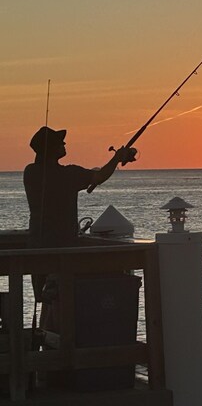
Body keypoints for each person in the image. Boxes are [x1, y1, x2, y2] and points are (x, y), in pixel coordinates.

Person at [23, 126, 135, 303]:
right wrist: (117, 158)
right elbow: (98, 177)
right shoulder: (69, 174)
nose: (64, 143)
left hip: (37, 250)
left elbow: (93, 174)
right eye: (60, 142)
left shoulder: (30, 173)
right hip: (64, 252)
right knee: (65, 302)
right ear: (52, 149)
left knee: (46, 302)